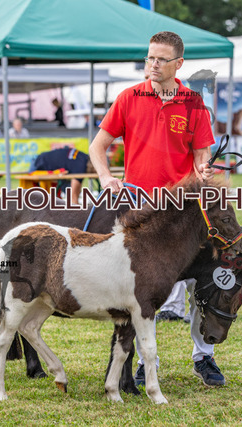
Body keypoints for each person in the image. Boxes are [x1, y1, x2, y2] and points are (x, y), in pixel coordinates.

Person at [88, 31, 224, 388]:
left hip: (183, 213)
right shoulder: (128, 98)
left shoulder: (194, 103)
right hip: (140, 213)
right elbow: (97, 146)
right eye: (150, 57)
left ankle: (204, 357)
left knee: (202, 282)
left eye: (162, 59)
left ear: (179, 64)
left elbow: (202, 154)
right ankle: (144, 364)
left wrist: (203, 170)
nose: (153, 64)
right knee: (141, 294)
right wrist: (106, 176)